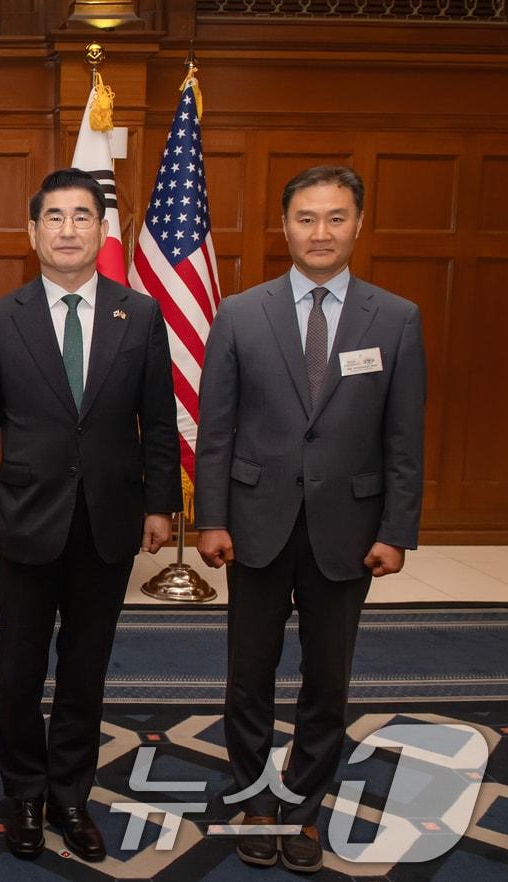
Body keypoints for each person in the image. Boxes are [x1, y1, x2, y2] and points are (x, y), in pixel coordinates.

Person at [195, 165, 425, 873]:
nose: (319, 232)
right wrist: (211, 518)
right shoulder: (240, 312)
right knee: (249, 676)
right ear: (284, 225)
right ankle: (256, 798)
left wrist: (396, 530)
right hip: (255, 522)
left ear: (358, 224)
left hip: (350, 534)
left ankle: (304, 805)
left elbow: (404, 437)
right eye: (305, 218)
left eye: (334, 218)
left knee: (328, 681)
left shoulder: (396, 317)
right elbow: (217, 430)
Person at [0, 168, 180, 862]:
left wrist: (161, 504)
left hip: (110, 520)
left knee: (86, 668)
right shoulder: (1, 316)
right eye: (54, 217)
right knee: (19, 668)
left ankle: (72, 794)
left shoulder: (139, 315)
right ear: (33, 232)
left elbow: (160, 422)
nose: (68, 230)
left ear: (102, 230)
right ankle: (24, 792)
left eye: (82, 216)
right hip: (25, 517)